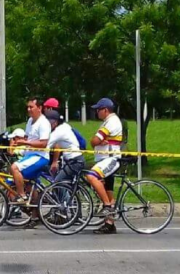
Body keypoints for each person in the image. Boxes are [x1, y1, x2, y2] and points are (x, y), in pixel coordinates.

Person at [86, 98, 124, 235]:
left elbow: (94, 141)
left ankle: (107, 206)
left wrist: (98, 141)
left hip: (110, 159)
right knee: (108, 190)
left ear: (105, 110)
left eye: (98, 109)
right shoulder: (107, 122)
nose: (96, 112)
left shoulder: (112, 121)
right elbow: (95, 142)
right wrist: (99, 142)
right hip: (104, 159)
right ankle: (109, 224)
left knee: (91, 176)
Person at [10, 98, 51, 204]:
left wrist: (25, 143)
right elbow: (27, 138)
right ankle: (35, 215)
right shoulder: (29, 121)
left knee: (15, 168)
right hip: (30, 155)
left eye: (31, 107)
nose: (28, 109)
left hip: (40, 156)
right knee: (30, 185)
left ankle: (21, 195)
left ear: (40, 108)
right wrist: (17, 143)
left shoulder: (44, 123)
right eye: (27, 107)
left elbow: (43, 143)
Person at [45, 110, 84, 183]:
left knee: (58, 182)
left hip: (74, 161)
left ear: (55, 122)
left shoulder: (59, 131)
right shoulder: (64, 126)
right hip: (72, 160)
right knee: (64, 183)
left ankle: (65, 194)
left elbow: (46, 145)